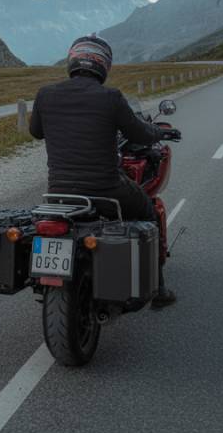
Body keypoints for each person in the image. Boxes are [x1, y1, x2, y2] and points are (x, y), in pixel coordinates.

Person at [29, 34, 180, 308]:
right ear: (103, 65)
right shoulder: (110, 97)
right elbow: (139, 132)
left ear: (72, 60)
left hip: (58, 192)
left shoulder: (45, 94)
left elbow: (36, 132)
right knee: (147, 209)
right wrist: (159, 131)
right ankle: (158, 289)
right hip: (106, 190)